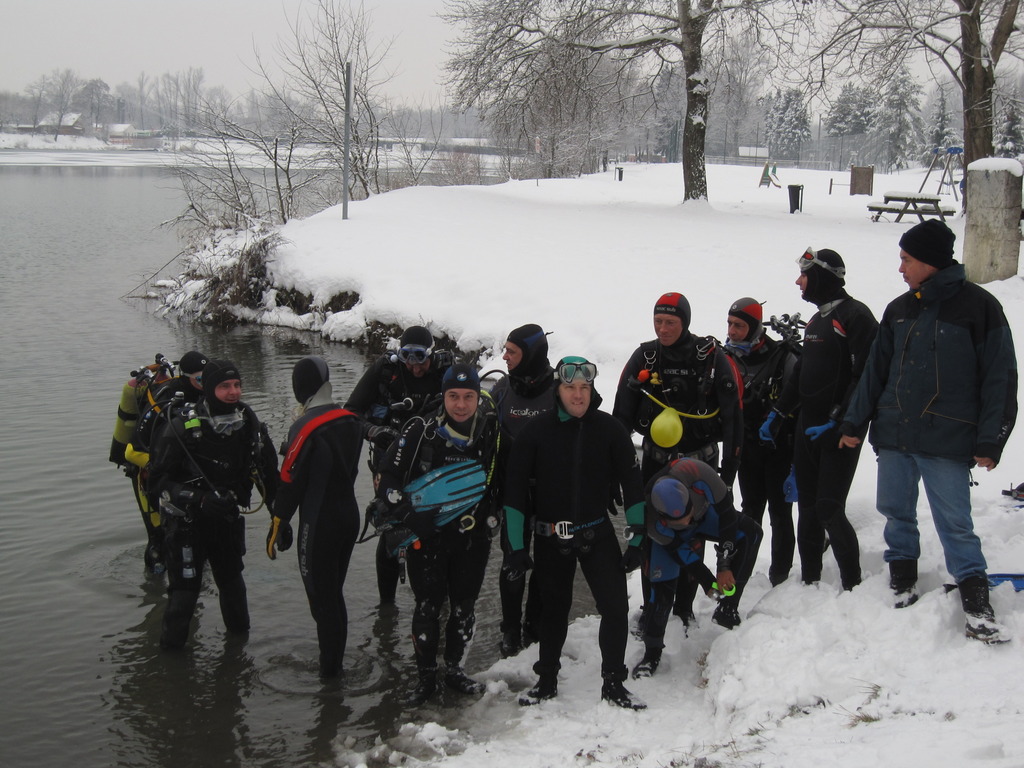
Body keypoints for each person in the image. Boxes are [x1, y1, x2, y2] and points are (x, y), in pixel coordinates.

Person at [838, 220, 1017, 643]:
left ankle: (976, 603)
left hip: (947, 438)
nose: (900, 267)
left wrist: (991, 438)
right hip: (895, 432)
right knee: (895, 511)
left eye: (907, 259)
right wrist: (853, 421)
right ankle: (902, 580)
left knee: (955, 523)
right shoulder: (899, 309)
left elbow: (1000, 377)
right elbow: (875, 372)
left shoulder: (980, 307)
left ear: (930, 261)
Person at [505, 356, 647, 710]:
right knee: (553, 611)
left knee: (615, 608)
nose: (578, 395)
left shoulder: (610, 430)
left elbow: (633, 485)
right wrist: (516, 547)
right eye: (570, 387)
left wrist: (638, 538)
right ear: (558, 389)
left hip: (597, 533)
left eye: (584, 387)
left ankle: (613, 683)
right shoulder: (535, 431)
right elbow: (514, 493)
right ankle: (546, 681)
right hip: (552, 537)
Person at [613, 292, 744, 629]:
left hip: (700, 466)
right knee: (651, 533)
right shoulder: (645, 356)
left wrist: (728, 475)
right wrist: (614, 472)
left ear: (684, 322)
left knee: (692, 532)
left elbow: (733, 419)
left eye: (670, 322)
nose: (663, 328)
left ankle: (684, 609)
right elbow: (620, 418)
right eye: (658, 321)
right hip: (655, 464)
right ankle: (651, 608)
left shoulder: (711, 357)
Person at [373, 363, 500, 706]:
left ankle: (455, 671)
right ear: (443, 397)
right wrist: (409, 517)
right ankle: (426, 678)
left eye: (468, 396)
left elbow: (509, 479)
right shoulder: (421, 431)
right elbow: (388, 477)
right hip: (427, 538)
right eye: (453, 396)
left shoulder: (491, 433)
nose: (461, 405)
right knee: (428, 606)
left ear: (478, 397)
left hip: (472, 537)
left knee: (464, 606)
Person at [763, 248, 877, 591]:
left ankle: (852, 584)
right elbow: (801, 374)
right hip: (807, 427)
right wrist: (777, 413)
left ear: (823, 276)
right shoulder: (815, 322)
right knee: (808, 508)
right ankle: (809, 581)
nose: (798, 281)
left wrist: (841, 420)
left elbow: (865, 376)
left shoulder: (856, 316)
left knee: (828, 508)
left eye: (805, 274)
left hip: (838, 431)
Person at [147, 359, 279, 649]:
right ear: (208, 389)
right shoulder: (181, 428)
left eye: (237, 385)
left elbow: (270, 478)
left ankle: (239, 658)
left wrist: (278, 518)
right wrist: (199, 499)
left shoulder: (249, 427)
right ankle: (172, 664)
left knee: (234, 589)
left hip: (226, 522)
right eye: (224, 386)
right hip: (187, 525)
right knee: (183, 598)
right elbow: (155, 483)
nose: (233, 392)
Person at [267, 356, 364, 677]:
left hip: (318, 523)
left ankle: (329, 680)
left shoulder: (304, 426)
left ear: (300, 388)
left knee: (321, 602)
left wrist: (279, 521)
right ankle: (335, 670)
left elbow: (289, 481)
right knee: (334, 597)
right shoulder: (350, 419)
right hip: (348, 517)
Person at [345, 325, 454, 607]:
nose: (414, 367)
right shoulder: (386, 371)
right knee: (391, 528)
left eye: (421, 358)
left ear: (432, 354)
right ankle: (386, 608)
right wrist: (373, 431)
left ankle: (435, 602)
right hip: (390, 461)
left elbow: (467, 409)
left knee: (436, 529)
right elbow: (350, 413)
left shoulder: (445, 372)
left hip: (432, 464)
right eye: (407, 358)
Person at [631, 458, 763, 678]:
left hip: (705, 515)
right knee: (661, 594)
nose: (686, 522)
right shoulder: (651, 519)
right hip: (671, 539)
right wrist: (707, 581)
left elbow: (727, 515)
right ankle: (652, 654)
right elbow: (680, 552)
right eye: (680, 521)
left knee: (751, 533)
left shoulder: (697, 472)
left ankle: (727, 608)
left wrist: (724, 565)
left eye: (687, 514)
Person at [489, 323, 557, 658]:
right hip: (513, 494)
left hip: (550, 493)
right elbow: (484, 437)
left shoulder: (559, 389)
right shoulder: (503, 389)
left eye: (512, 351)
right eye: (505, 350)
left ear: (531, 353)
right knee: (513, 561)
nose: (505, 356)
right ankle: (511, 631)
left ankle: (535, 625)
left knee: (547, 562)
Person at [723, 299, 800, 586]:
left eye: (739, 326)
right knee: (750, 512)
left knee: (780, 513)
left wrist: (797, 460)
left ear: (755, 327)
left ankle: (780, 577)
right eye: (730, 324)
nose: (732, 331)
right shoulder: (727, 357)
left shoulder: (783, 358)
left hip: (779, 448)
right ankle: (738, 577)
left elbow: (799, 403)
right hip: (747, 449)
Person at [110, 351, 206, 575]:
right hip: (148, 477)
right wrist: (165, 466)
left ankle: (198, 585)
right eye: (200, 379)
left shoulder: (210, 398)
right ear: (186, 377)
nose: (206, 384)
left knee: (196, 537)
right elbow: (131, 452)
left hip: (185, 481)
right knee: (158, 537)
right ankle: (154, 583)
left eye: (208, 378)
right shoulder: (165, 403)